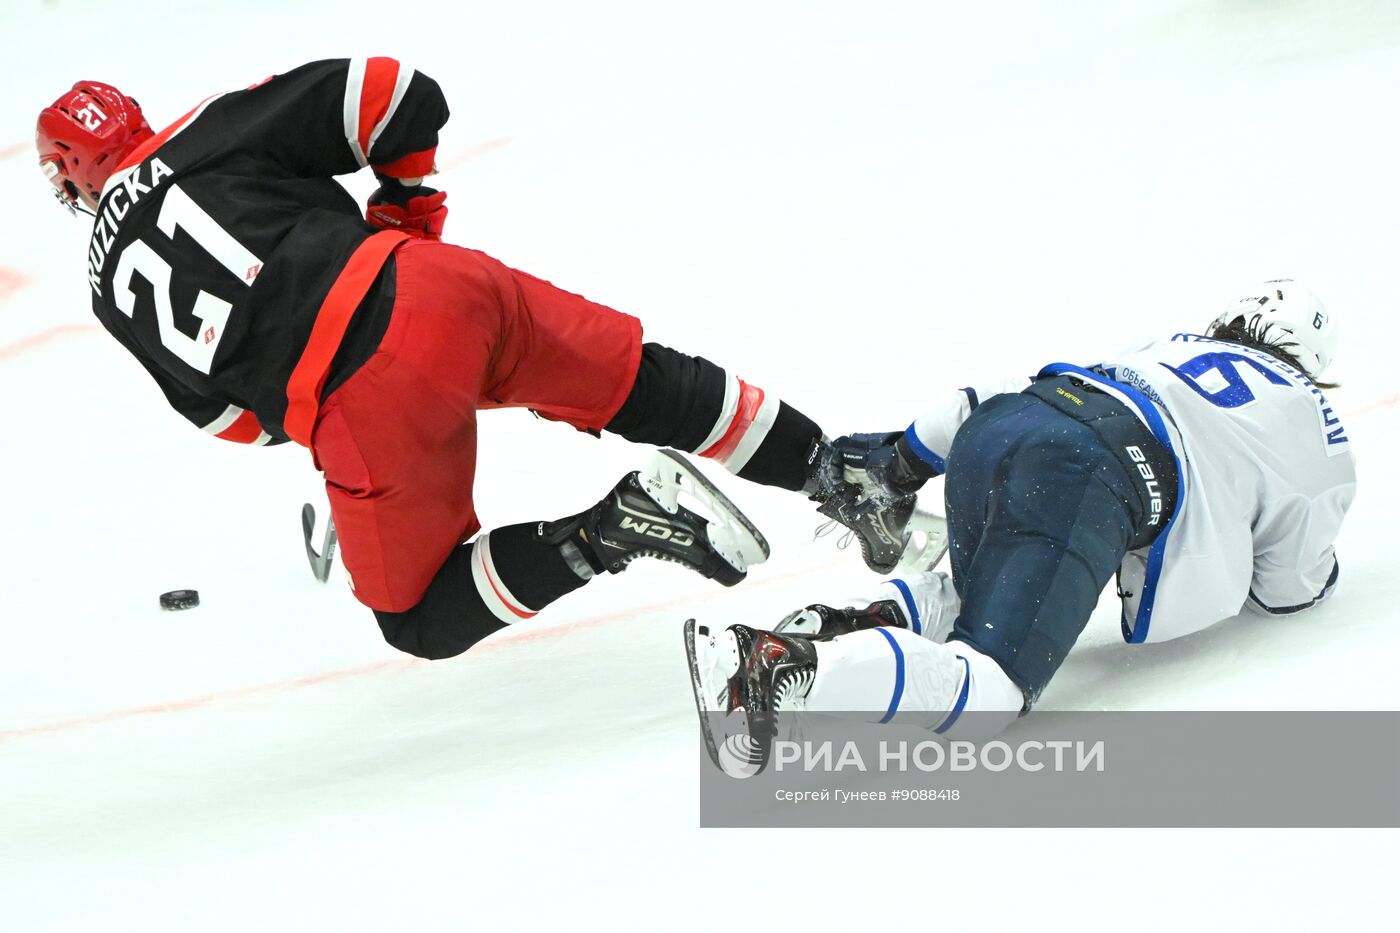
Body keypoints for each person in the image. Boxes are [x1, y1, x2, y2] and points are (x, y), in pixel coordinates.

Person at [37, 60, 887, 660]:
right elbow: (396, 94)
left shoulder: (108, 286)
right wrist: (405, 203)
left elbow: (230, 422)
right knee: (637, 380)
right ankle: (835, 472)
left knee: (416, 617)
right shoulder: (209, 128)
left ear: (71, 173)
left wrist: (324, 427)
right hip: (437, 285)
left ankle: (613, 527)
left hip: (357, 402)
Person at [687, 280, 1356, 759]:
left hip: (1004, 420)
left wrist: (905, 457)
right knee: (989, 689)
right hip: (1092, 470)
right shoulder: (1313, 416)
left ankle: (830, 625)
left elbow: (1000, 394)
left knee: (968, 601)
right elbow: (1286, 588)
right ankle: (782, 669)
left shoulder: (1173, 341)